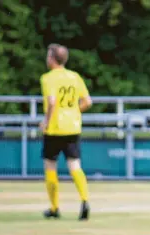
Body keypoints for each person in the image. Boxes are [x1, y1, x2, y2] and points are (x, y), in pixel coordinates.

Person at [40, 43, 92, 220]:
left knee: (50, 165)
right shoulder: (74, 76)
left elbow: (52, 102)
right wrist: (73, 112)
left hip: (54, 128)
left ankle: (54, 208)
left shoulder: (48, 78)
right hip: (73, 127)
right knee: (75, 165)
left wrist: (45, 122)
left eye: (48, 55)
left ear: (53, 59)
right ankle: (85, 201)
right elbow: (87, 101)